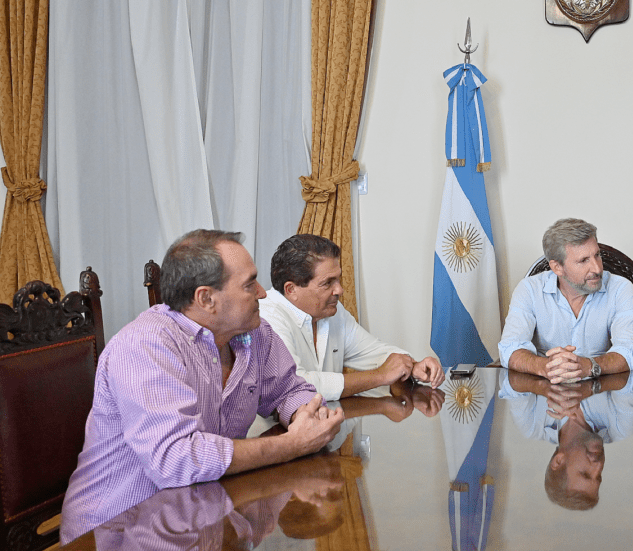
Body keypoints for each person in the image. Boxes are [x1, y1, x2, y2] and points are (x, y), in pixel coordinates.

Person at [60, 230, 344, 543]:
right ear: (206, 299)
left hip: (204, 514)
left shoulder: (255, 333)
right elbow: (175, 459)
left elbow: (289, 390)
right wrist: (293, 445)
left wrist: (304, 415)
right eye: (250, 283)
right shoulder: (145, 345)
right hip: (120, 531)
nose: (263, 293)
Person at [257, 234, 445, 402]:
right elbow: (296, 386)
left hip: (324, 430)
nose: (339, 290)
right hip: (272, 435)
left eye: (338, 279)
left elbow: (372, 352)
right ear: (291, 290)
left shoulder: (331, 310)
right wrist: (380, 376)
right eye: (327, 283)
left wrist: (412, 366)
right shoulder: (265, 317)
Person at [498, 218, 633, 383]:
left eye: (597, 255)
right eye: (583, 261)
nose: (597, 268)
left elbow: (630, 350)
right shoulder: (529, 290)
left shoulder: (621, 289)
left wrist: (589, 365)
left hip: (601, 393)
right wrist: (546, 367)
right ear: (557, 267)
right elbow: (510, 348)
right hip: (545, 395)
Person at [500, 369, 633, 510]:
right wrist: (589, 385)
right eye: (599, 476)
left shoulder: (531, 425)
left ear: (559, 461)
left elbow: (508, 378)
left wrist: (546, 385)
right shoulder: (621, 427)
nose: (598, 466)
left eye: (585, 473)